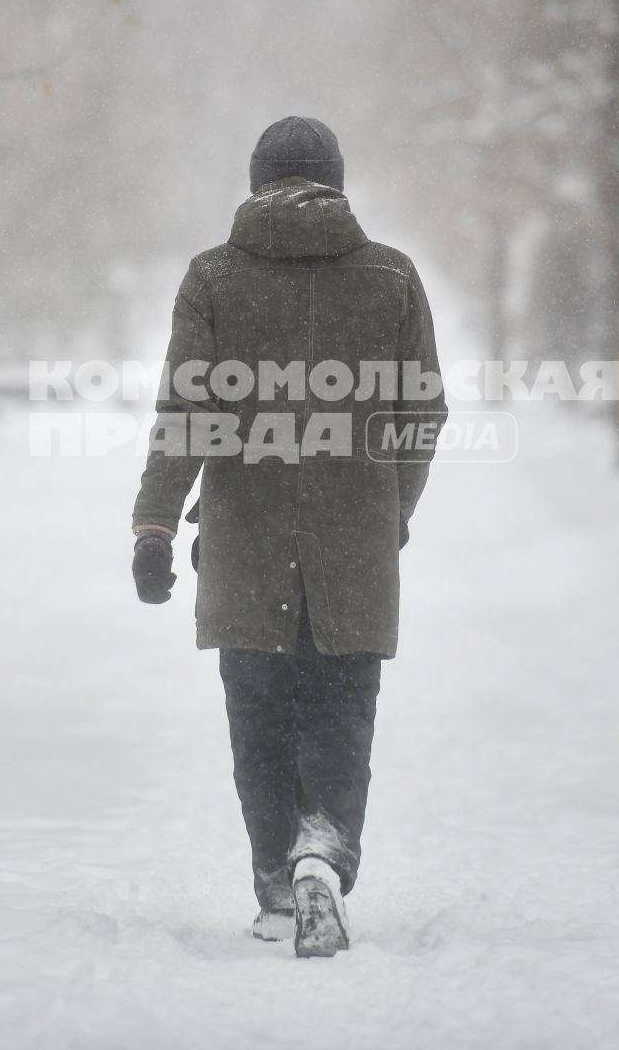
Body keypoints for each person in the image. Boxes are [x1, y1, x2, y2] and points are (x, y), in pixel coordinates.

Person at [130, 116, 446, 957]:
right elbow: (422, 415)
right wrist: (390, 510)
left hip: (244, 546)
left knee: (260, 720)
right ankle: (323, 854)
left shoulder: (213, 279)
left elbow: (185, 414)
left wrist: (156, 523)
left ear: (254, 180)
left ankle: (277, 884)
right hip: (354, 548)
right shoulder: (391, 277)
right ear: (337, 181)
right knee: (342, 710)